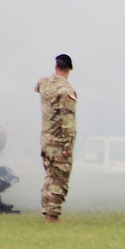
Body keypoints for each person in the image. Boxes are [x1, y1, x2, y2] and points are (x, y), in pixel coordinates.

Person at [35, 54, 78, 223]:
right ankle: (53, 216)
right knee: (59, 179)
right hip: (59, 141)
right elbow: (68, 121)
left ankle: (47, 211)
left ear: (56, 67)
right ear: (70, 69)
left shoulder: (44, 84)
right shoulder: (66, 91)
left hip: (45, 140)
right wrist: (68, 145)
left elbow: (38, 85)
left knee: (49, 176)